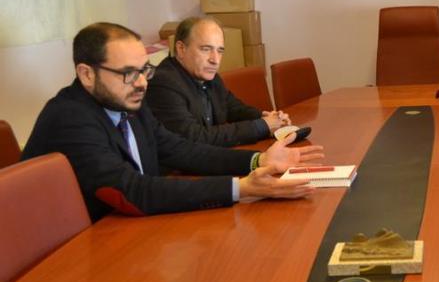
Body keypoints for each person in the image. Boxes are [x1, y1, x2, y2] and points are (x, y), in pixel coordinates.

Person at [22, 22, 325, 222]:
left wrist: (256, 161)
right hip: (70, 261)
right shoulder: (70, 119)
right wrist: (242, 188)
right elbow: (134, 192)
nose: (141, 83)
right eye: (129, 73)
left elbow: (180, 150)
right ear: (87, 74)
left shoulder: (128, 100)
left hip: (126, 235)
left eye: (145, 71)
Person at [146, 17, 289, 147]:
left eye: (220, 51)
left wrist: (267, 117)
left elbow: (233, 108)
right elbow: (195, 138)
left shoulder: (209, 76)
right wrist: (261, 126)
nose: (215, 60)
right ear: (181, 49)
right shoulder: (163, 83)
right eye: (206, 49)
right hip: (177, 173)